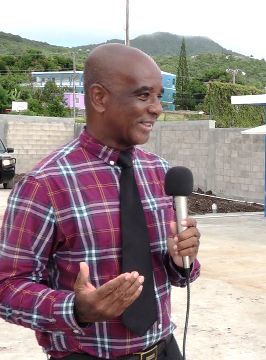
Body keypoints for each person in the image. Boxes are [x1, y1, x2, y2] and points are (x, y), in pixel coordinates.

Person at [0, 43, 201, 359]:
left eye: (159, 96)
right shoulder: (45, 184)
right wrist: (76, 309)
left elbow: (174, 274)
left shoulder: (160, 172)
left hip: (164, 349)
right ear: (99, 97)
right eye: (143, 95)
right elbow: (7, 288)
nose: (157, 108)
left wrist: (180, 259)